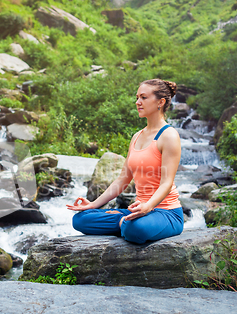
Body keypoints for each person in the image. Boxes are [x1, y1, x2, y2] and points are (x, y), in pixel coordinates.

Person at [66, 79, 184, 244]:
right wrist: (93, 205)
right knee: (80, 219)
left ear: (160, 102)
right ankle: (124, 221)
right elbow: (122, 180)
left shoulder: (169, 136)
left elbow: (166, 183)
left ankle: (124, 223)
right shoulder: (136, 137)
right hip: (138, 211)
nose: (138, 102)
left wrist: (148, 206)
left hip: (166, 213)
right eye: (137, 97)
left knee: (134, 228)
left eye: (143, 97)